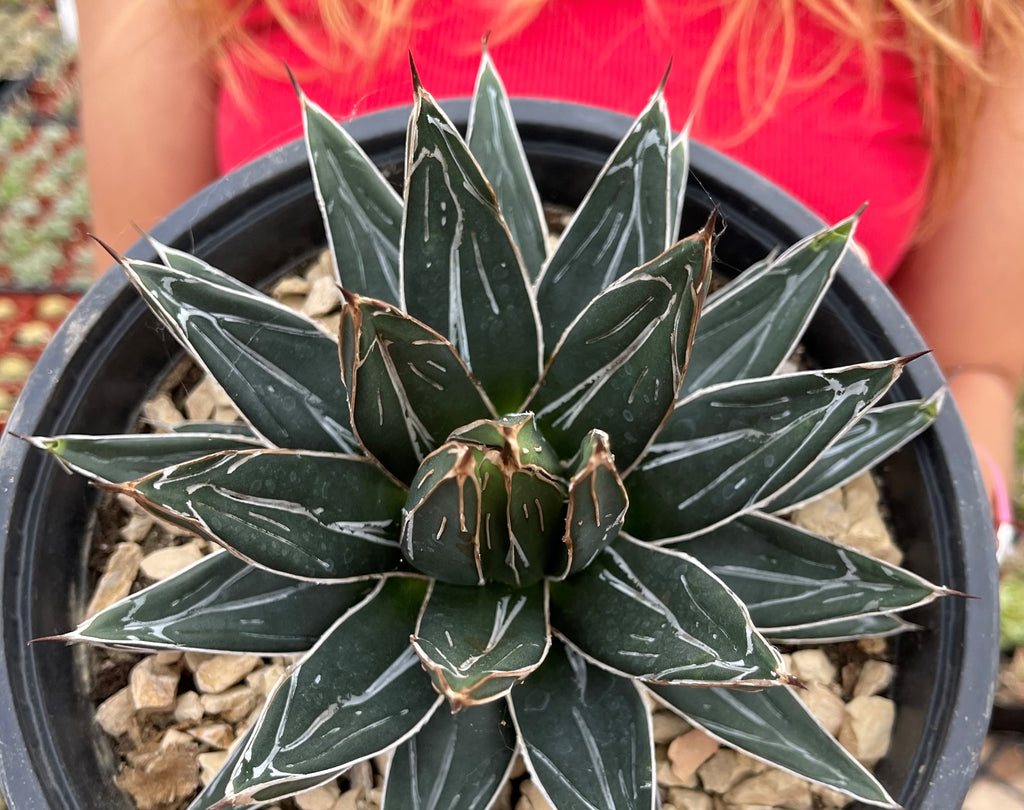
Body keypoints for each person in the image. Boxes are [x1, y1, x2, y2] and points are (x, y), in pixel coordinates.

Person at [76, 0, 1024, 516]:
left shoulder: (960, 21)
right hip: (326, 478)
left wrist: (961, 513)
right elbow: (150, 336)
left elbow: (967, 363)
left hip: (733, 500)